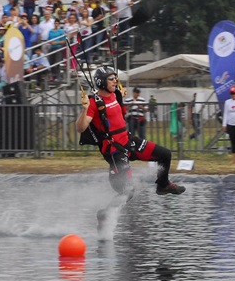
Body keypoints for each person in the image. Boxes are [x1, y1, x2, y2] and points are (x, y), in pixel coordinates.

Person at [76, 66, 185, 196]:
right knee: (128, 190)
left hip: (128, 141)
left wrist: (121, 98)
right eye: (111, 79)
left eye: (115, 78)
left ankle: (163, 185)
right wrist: (85, 109)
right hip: (114, 148)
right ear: (101, 82)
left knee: (165, 155)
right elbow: (80, 128)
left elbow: (120, 116)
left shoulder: (115, 95)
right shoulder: (93, 103)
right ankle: (110, 206)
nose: (115, 81)